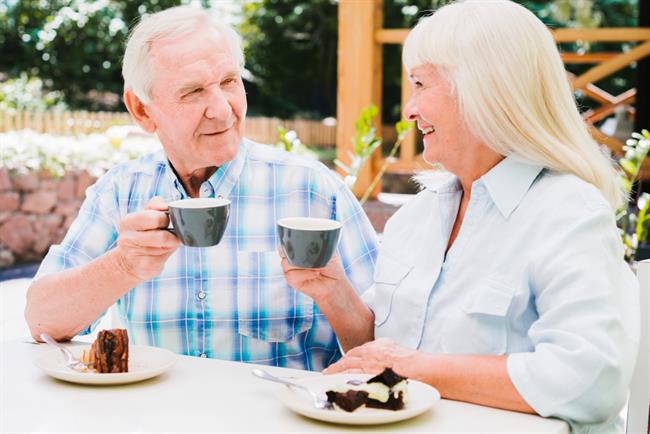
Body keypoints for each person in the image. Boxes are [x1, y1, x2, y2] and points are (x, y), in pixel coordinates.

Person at [280, 1, 639, 431]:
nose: (409, 110)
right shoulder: (416, 216)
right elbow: (385, 351)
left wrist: (414, 368)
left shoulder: (568, 213)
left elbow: (591, 382)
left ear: (485, 89)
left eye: (420, 85)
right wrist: (334, 293)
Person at [25, 6, 378, 371]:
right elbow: (41, 320)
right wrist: (122, 265)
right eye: (194, 91)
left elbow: (389, 347)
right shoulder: (120, 192)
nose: (222, 110)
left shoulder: (313, 190)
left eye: (229, 82)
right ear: (142, 110)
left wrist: (336, 294)